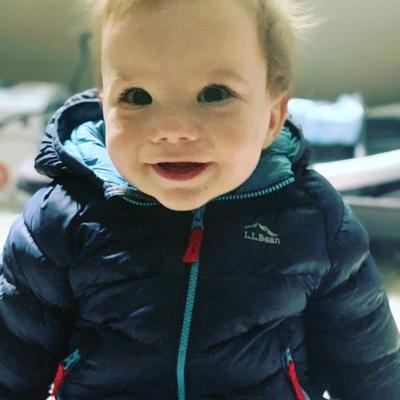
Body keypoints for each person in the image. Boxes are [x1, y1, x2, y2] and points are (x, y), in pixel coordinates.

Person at [0, 0, 399, 399]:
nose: (173, 129)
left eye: (214, 93)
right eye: (137, 96)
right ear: (104, 107)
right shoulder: (60, 220)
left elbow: (368, 364)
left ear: (272, 118)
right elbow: (13, 358)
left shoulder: (313, 221)